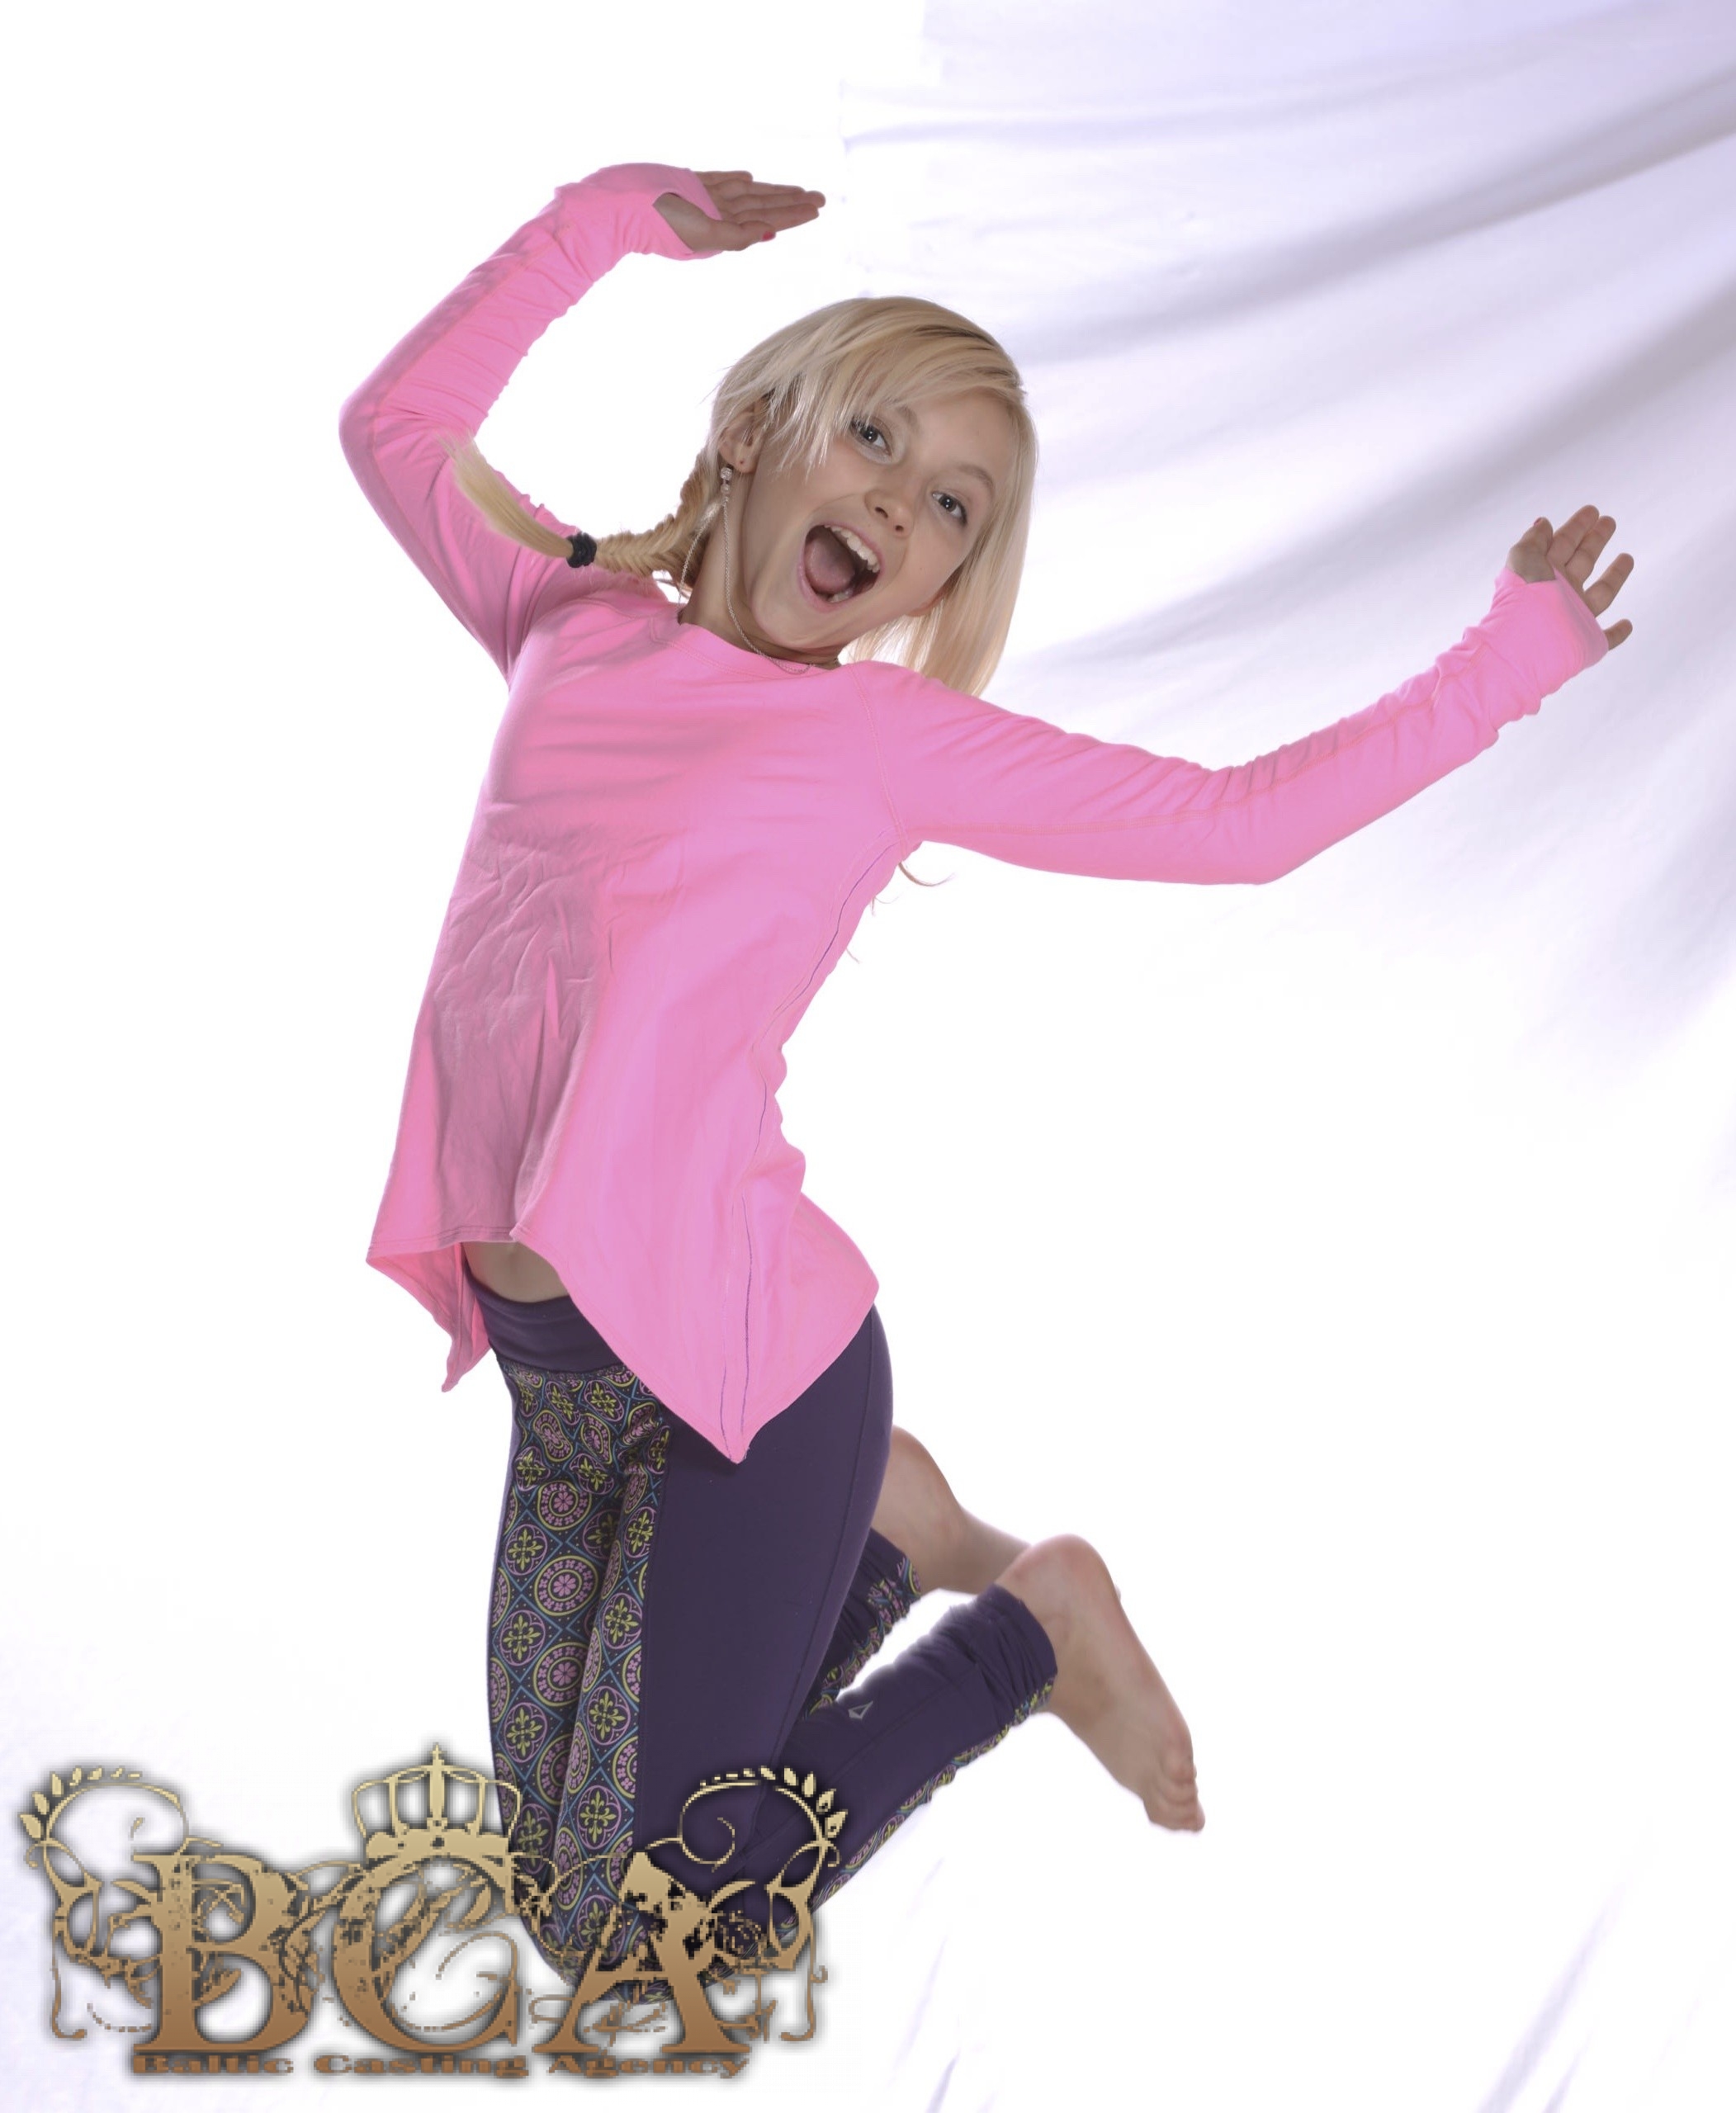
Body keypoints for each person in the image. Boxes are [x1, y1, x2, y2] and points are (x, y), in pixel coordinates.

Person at [337, 161, 1632, 1979]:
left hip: (750, 1381)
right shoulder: (569, 613)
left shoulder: (882, 742)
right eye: (872, 434)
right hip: (566, 1385)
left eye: (951, 501)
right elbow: (393, 428)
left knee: (668, 1921)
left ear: (949, 570)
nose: (899, 499)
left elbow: (1239, 824)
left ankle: (1028, 1623)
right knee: (573, 1915)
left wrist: (1509, 662)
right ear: (749, 432)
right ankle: (899, 1529)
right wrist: (608, 218)